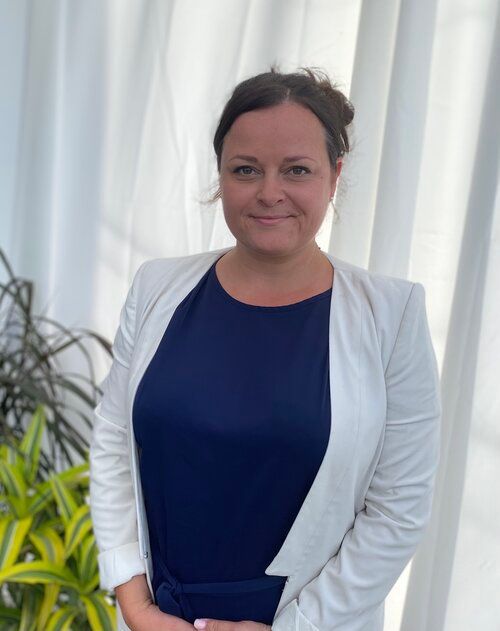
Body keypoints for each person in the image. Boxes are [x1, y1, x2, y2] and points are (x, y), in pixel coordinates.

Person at [89, 66, 442, 631]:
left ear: (334, 176)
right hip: (162, 616)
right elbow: (113, 443)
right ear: (221, 176)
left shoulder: (391, 316)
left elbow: (397, 510)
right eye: (246, 169)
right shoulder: (157, 288)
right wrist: (132, 598)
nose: (269, 192)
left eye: (297, 170)